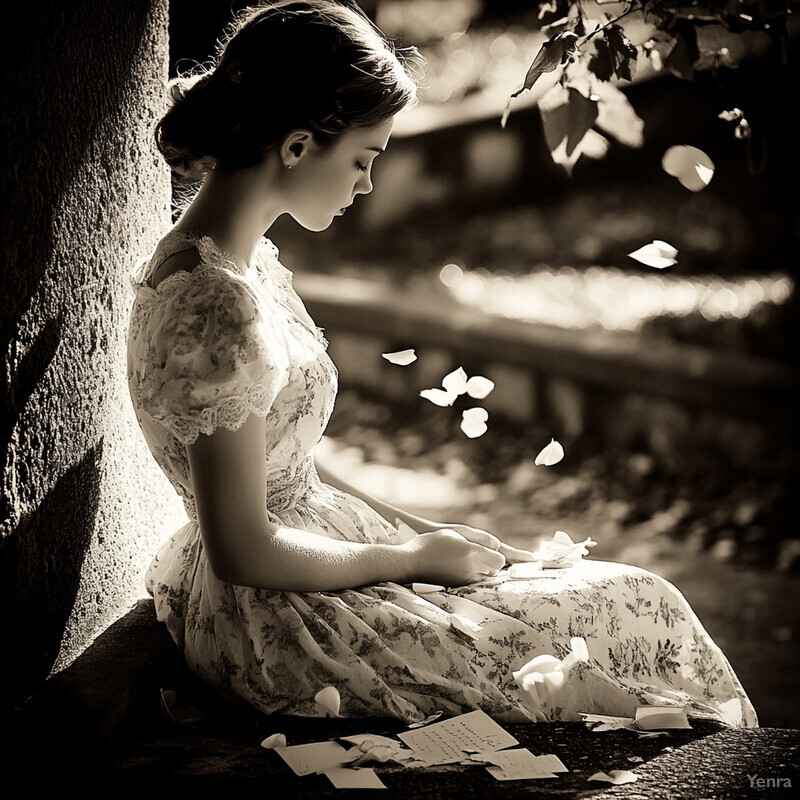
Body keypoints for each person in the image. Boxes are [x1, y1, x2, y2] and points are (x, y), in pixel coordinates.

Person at [127, 0, 757, 726]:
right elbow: (242, 548)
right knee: (625, 616)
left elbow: (285, 464)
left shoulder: (243, 267)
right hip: (284, 617)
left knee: (625, 598)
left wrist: (424, 532)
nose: (366, 186)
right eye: (363, 160)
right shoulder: (213, 308)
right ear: (298, 146)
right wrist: (411, 558)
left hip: (324, 557)